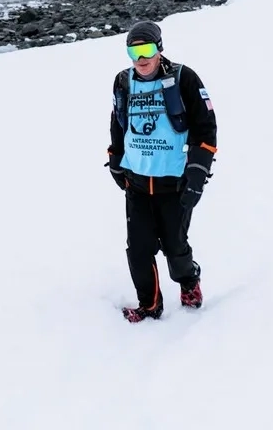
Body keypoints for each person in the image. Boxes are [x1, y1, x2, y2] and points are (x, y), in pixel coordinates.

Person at [106, 20, 218, 323]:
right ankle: (150, 306)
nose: (141, 59)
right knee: (138, 249)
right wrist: (115, 159)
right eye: (134, 51)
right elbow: (118, 122)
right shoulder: (123, 81)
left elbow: (206, 129)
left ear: (159, 48)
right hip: (138, 184)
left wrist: (197, 173)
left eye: (147, 49)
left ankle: (189, 282)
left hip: (175, 184)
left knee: (174, 246)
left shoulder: (184, 79)